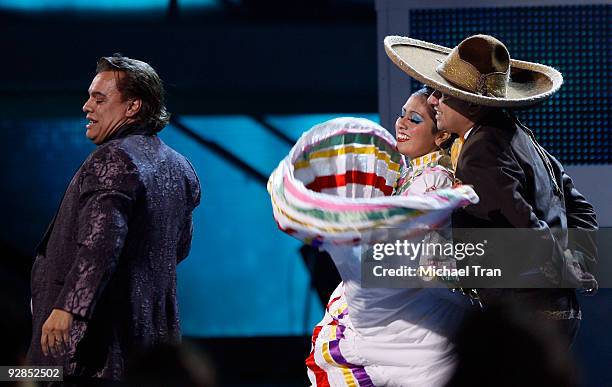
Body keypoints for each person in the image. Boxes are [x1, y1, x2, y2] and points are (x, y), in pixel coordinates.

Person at [384, 34, 598, 345]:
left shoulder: (479, 153)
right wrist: (579, 260)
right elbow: (580, 207)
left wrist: (566, 267)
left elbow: (523, 226)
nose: (433, 100)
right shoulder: (515, 133)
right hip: (552, 310)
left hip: (525, 313)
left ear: (470, 101)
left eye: (443, 94)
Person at [27, 54, 201, 383]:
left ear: (133, 106)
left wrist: (69, 308)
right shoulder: (181, 167)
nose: (86, 107)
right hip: (150, 344)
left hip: (94, 346)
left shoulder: (114, 158)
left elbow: (100, 242)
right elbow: (179, 249)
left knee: (15, 375)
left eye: (99, 98)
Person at [304, 89, 477, 386]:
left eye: (414, 119)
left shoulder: (435, 178)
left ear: (440, 138)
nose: (402, 124)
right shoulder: (413, 175)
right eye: (401, 114)